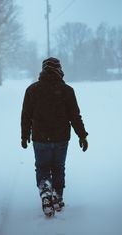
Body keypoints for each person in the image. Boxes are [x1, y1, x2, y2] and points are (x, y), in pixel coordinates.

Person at [21, 57, 88, 216]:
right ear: (59, 70)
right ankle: (57, 197)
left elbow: (25, 116)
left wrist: (24, 136)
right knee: (58, 168)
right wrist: (82, 135)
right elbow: (75, 116)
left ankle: (45, 192)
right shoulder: (67, 90)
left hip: (40, 138)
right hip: (61, 138)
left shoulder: (32, 90)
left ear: (43, 70)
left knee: (43, 168)